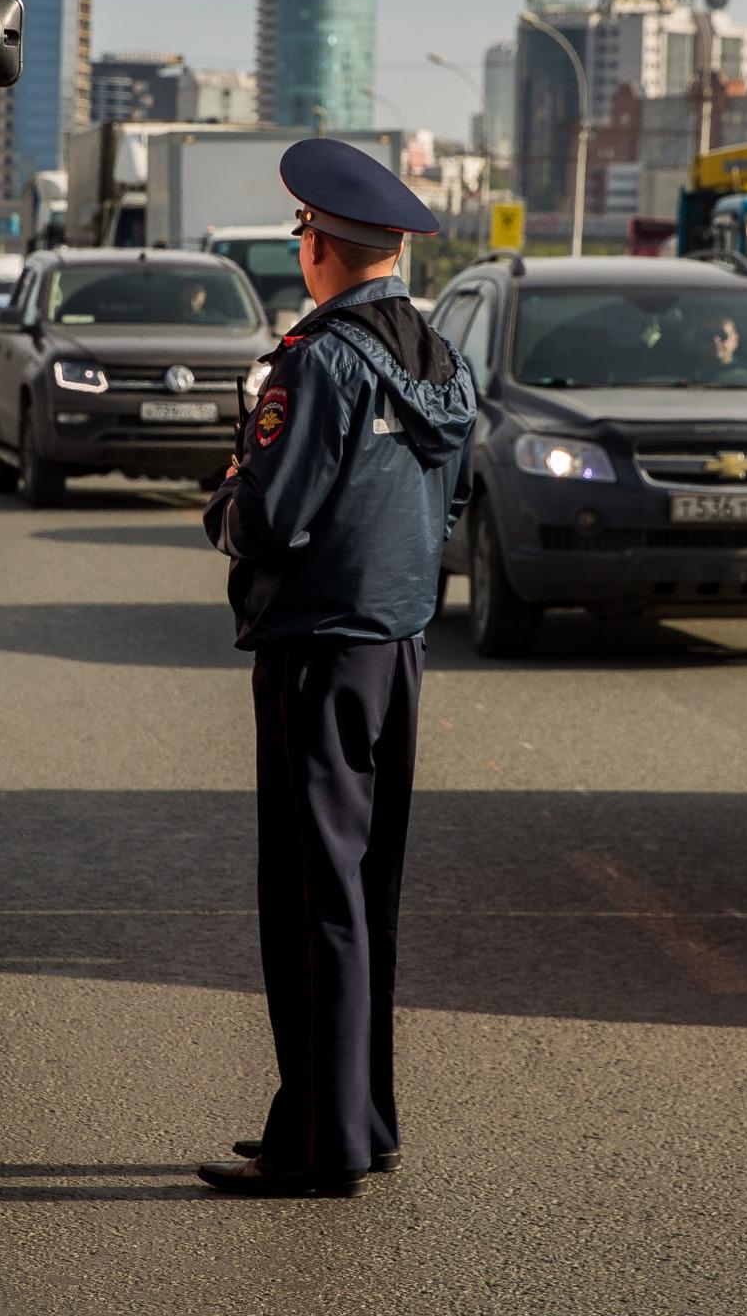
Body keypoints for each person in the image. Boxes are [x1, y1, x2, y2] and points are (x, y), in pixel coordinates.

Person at [197, 139, 474, 1198]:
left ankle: (317, 1142)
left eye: (302, 232)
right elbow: (440, 505)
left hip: (315, 646)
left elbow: (270, 515)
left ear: (319, 244)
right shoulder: (444, 357)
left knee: (313, 896)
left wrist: (221, 499)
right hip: (398, 642)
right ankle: (361, 1117)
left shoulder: (317, 358)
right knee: (367, 890)